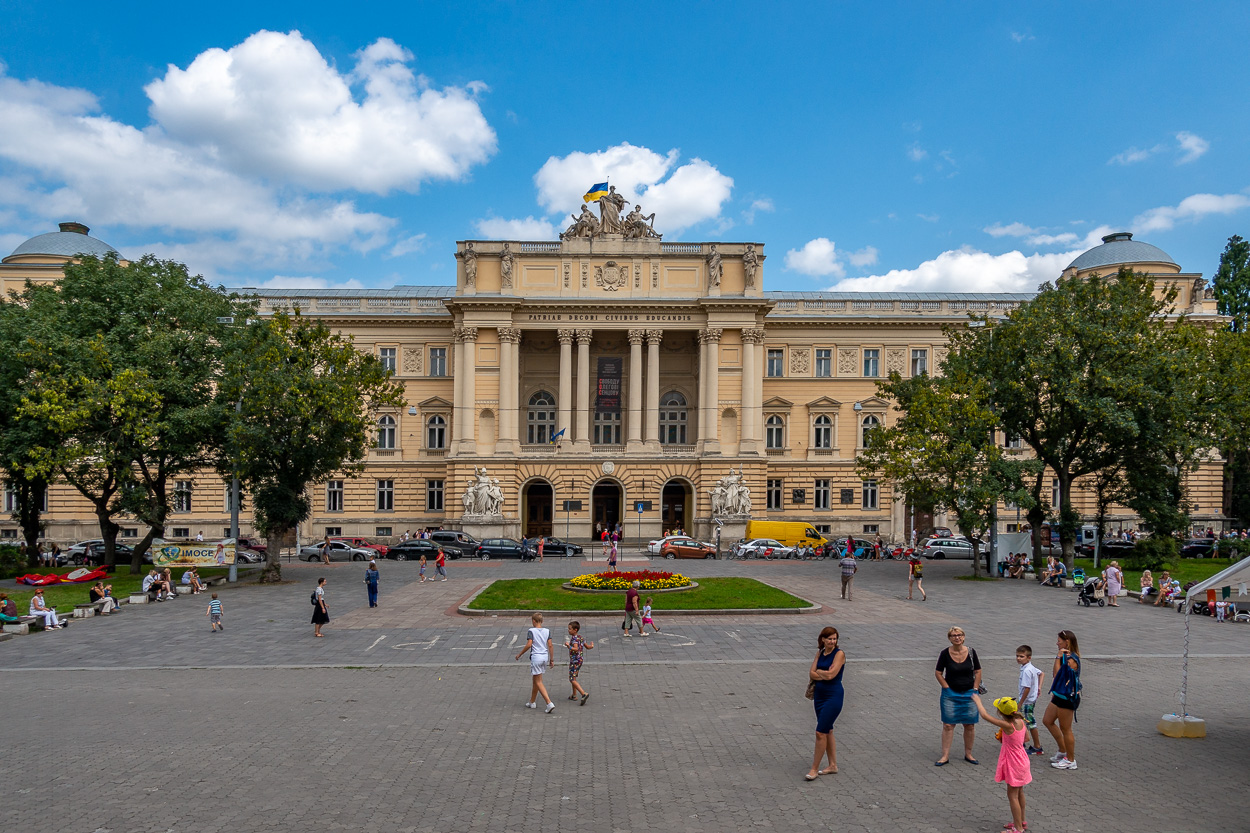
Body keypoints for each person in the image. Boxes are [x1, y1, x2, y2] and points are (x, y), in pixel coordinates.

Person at [971, 694, 1032, 833]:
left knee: (1012, 796)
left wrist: (978, 701)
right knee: (1020, 792)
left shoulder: (1007, 725)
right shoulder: (1020, 722)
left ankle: (1018, 829)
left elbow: (985, 716)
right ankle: (1022, 821)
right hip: (1022, 760)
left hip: (1014, 763)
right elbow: (1026, 738)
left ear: (1001, 713)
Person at [934, 626, 981, 766]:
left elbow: (978, 671)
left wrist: (975, 689)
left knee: (969, 725)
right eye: (954, 635)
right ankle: (945, 755)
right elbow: (938, 672)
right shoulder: (945, 653)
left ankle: (968, 753)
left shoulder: (971, 652)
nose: (957, 637)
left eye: (959, 635)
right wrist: (946, 687)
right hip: (950, 694)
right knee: (948, 725)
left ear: (964, 636)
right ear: (949, 638)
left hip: (969, 693)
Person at [804, 626, 845, 780]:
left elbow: (830, 676)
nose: (832, 642)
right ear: (823, 639)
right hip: (819, 697)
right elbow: (811, 673)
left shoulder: (839, 654)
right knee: (828, 730)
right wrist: (823, 673)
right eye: (829, 639)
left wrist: (820, 673)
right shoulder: (820, 653)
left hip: (833, 696)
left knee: (820, 732)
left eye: (834, 639)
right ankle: (833, 765)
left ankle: (814, 769)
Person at [1042, 630, 1082, 770]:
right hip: (1058, 695)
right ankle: (1062, 750)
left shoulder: (1071, 659)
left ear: (1067, 642)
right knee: (1047, 720)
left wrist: (1058, 658)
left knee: (1066, 729)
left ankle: (1071, 760)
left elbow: (1057, 675)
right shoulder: (1064, 656)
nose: (1057, 642)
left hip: (1067, 697)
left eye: (1059, 640)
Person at [514, 612, 556, 713]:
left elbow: (529, 645)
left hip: (536, 657)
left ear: (533, 621)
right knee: (536, 680)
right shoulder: (547, 631)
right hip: (544, 657)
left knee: (538, 682)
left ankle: (549, 703)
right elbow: (550, 645)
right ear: (541, 621)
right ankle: (532, 702)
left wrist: (520, 654)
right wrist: (551, 659)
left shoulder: (531, 631)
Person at [1016, 645, 1045, 755]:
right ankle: (1022, 742)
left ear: (1029, 657)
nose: (1018, 658)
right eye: (1017, 656)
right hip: (1030, 699)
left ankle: (1037, 746)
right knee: (1023, 720)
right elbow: (1041, 673)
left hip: (1027, 701)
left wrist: (1020, 703)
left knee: (1030, 722)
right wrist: (1039, 687)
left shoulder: (1027, 671)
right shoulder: (1029, 667)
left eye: (1021, 656)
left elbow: (1026, 688)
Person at [563, 620, 594, 705]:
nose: (568, 630)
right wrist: (591, 646)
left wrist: (569, 646)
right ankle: (574, 695)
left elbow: (576, 649)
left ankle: (583, 693)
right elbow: (587, 647)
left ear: (575, 630)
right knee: (574, 677)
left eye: (570, 629)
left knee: (571, 679)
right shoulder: (580, 637)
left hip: (575, 661)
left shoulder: (574, 639)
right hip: (580, 660)